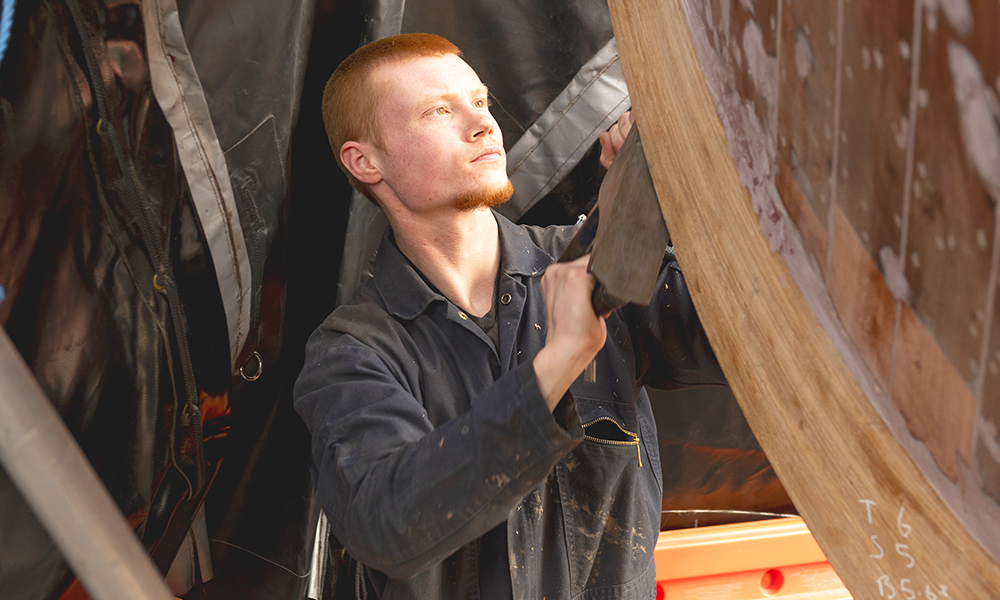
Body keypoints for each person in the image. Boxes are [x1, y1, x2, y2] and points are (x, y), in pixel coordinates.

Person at [294, 33, 726, 599]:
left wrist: (665, 191)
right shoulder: (351, 354)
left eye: (481, 101)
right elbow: (390, 525)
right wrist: (559, 365)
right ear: (365, 161)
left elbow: (754, 336)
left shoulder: (596, 265)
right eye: (438, 110)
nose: (481, 124)